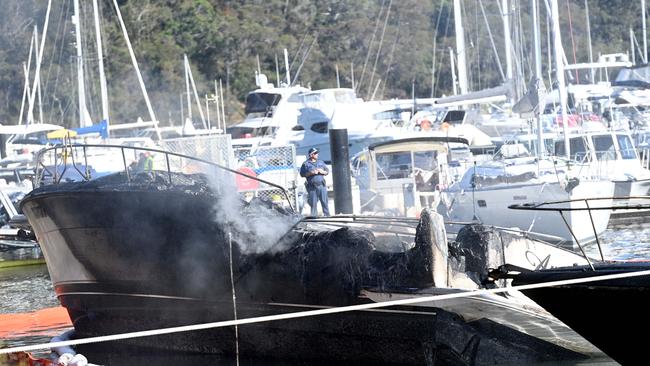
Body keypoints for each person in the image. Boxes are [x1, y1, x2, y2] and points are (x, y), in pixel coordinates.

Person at [300, 147, 330, 216]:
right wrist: (311, 173)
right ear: (311, 155)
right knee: (313, 203)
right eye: (315, 153)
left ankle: (327, 216)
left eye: (317, 153)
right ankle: (314, 217)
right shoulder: (306, 164)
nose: (317, 154)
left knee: (324, 202)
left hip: (321, 185)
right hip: (312, 187)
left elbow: (327, 171)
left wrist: (323, 172)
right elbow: (302, 174)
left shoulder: (321, 162)